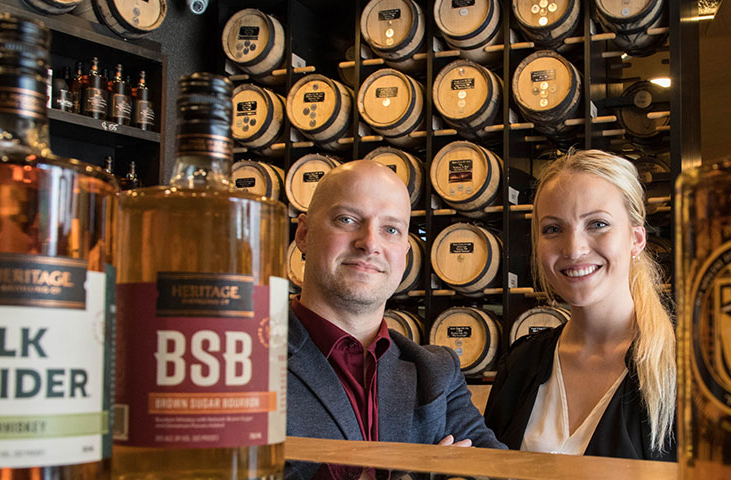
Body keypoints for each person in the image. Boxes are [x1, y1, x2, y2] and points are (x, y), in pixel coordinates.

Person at [286, 160, 504, 478]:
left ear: (404, 249)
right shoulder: (240, 365)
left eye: (390, 229)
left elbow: (498, 471)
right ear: (304, 234)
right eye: (347, 220)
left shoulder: (437, 372)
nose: (370, 243)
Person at [483, 149, 677, 461]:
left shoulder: (687, 368)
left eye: (598, 224)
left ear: (636, 238)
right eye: (553, 229)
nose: (574, 249)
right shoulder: (521, 363)